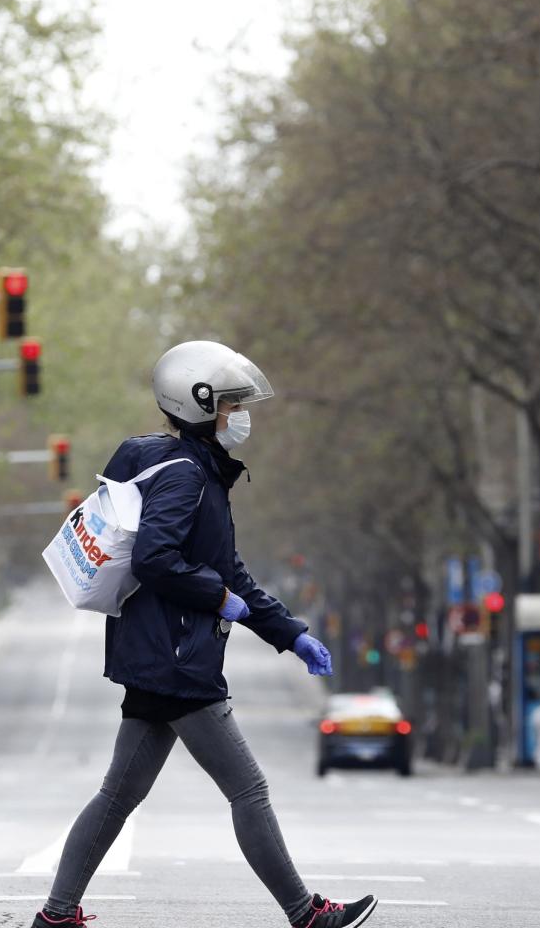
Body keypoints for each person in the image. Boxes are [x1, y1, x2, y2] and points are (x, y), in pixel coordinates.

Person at [32, 341, 378, 928]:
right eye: (232, 403)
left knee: (118, 795)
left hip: (158, 651)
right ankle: (305, 913)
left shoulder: (191, 470)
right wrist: (217, 598)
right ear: (200, 405)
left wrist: (289, 633)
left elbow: (230, 569)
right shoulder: (188, 477)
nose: (241, 415)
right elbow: (155, 559)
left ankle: (56, 916)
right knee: (249, 790)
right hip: (177, 657)